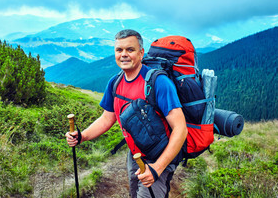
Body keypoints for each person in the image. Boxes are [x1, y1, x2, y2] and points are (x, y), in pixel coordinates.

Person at [65, 29, 188, 197]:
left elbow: (180, 129)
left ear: (141, 52)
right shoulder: (115, 83)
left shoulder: (157, 82)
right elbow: (107, 118)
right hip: (135, 155)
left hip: (159, 157)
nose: (124, 54)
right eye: (119, 50)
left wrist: (156, 169)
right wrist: (82, 136)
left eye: (130, 49)